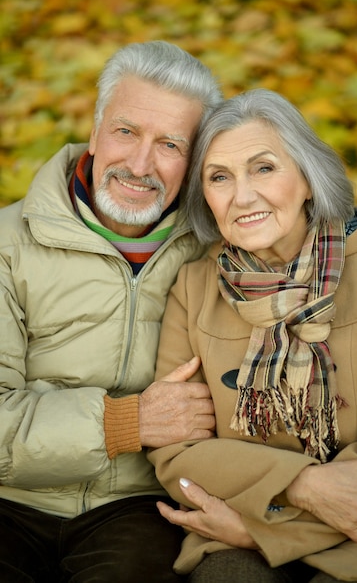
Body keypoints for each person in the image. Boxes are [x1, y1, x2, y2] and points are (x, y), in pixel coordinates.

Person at [148, 89, 357, 583]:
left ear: (309, 181)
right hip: (227, 531)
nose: (243, 196)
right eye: (220, 177)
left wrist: (268, 531)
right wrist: (299, 485)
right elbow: (176, 455)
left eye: (264, 168)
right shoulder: (193, 286)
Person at [0, 41, 224, 582]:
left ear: (194, 161)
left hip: (139, 506)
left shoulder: (219, 253)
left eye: (170, 144)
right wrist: (127, 422)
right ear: (97, 129)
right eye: (126, 131)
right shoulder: (6, 243)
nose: (140, 164)